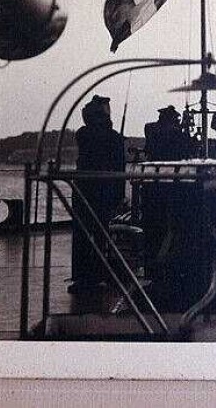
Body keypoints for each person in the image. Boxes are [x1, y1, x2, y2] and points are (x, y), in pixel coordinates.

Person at [69, 95, 126, 294]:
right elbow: (120, 168)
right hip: (101, 191)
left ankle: (83, 276)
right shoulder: (112, 138)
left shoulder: (84, 134)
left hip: (86, 190)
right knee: (100, 234)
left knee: (84, 234)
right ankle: (99, 275)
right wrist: (119, 194)